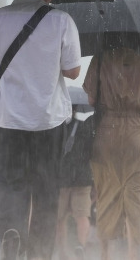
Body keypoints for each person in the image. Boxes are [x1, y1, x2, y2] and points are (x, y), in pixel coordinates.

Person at [0, 0, 82, 260]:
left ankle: (11, 231)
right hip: (48, 120)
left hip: (9, 119)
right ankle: (38, 253)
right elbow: (72, 71)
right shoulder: (62, 20)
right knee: (46, 189)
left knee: (10, 181)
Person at [83, 47, 140, 260]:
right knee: (136, 194)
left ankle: (105, 254)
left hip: (107, 131)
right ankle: (133, 254)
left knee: (106, 194)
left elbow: (92, 100)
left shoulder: (100, 59)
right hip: (136, 131)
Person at [56, 109, 93, 260]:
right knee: (82, 215)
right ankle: (81, 245)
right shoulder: (85, 127)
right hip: (82, 179)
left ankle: (62, 252)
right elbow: (92, 153)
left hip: (61, 178)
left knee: (60, 218)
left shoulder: (56, 127)